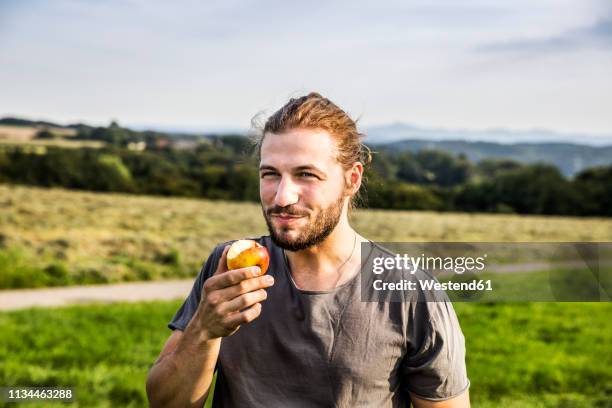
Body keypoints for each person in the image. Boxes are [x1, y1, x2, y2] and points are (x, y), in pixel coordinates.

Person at [146, 92, 470, 407]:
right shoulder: (228, 265)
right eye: (270, 174)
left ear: (351, 179)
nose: (282, 196)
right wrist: (204, 330)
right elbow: (165, 402)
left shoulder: (411, 293)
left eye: (306, 175)